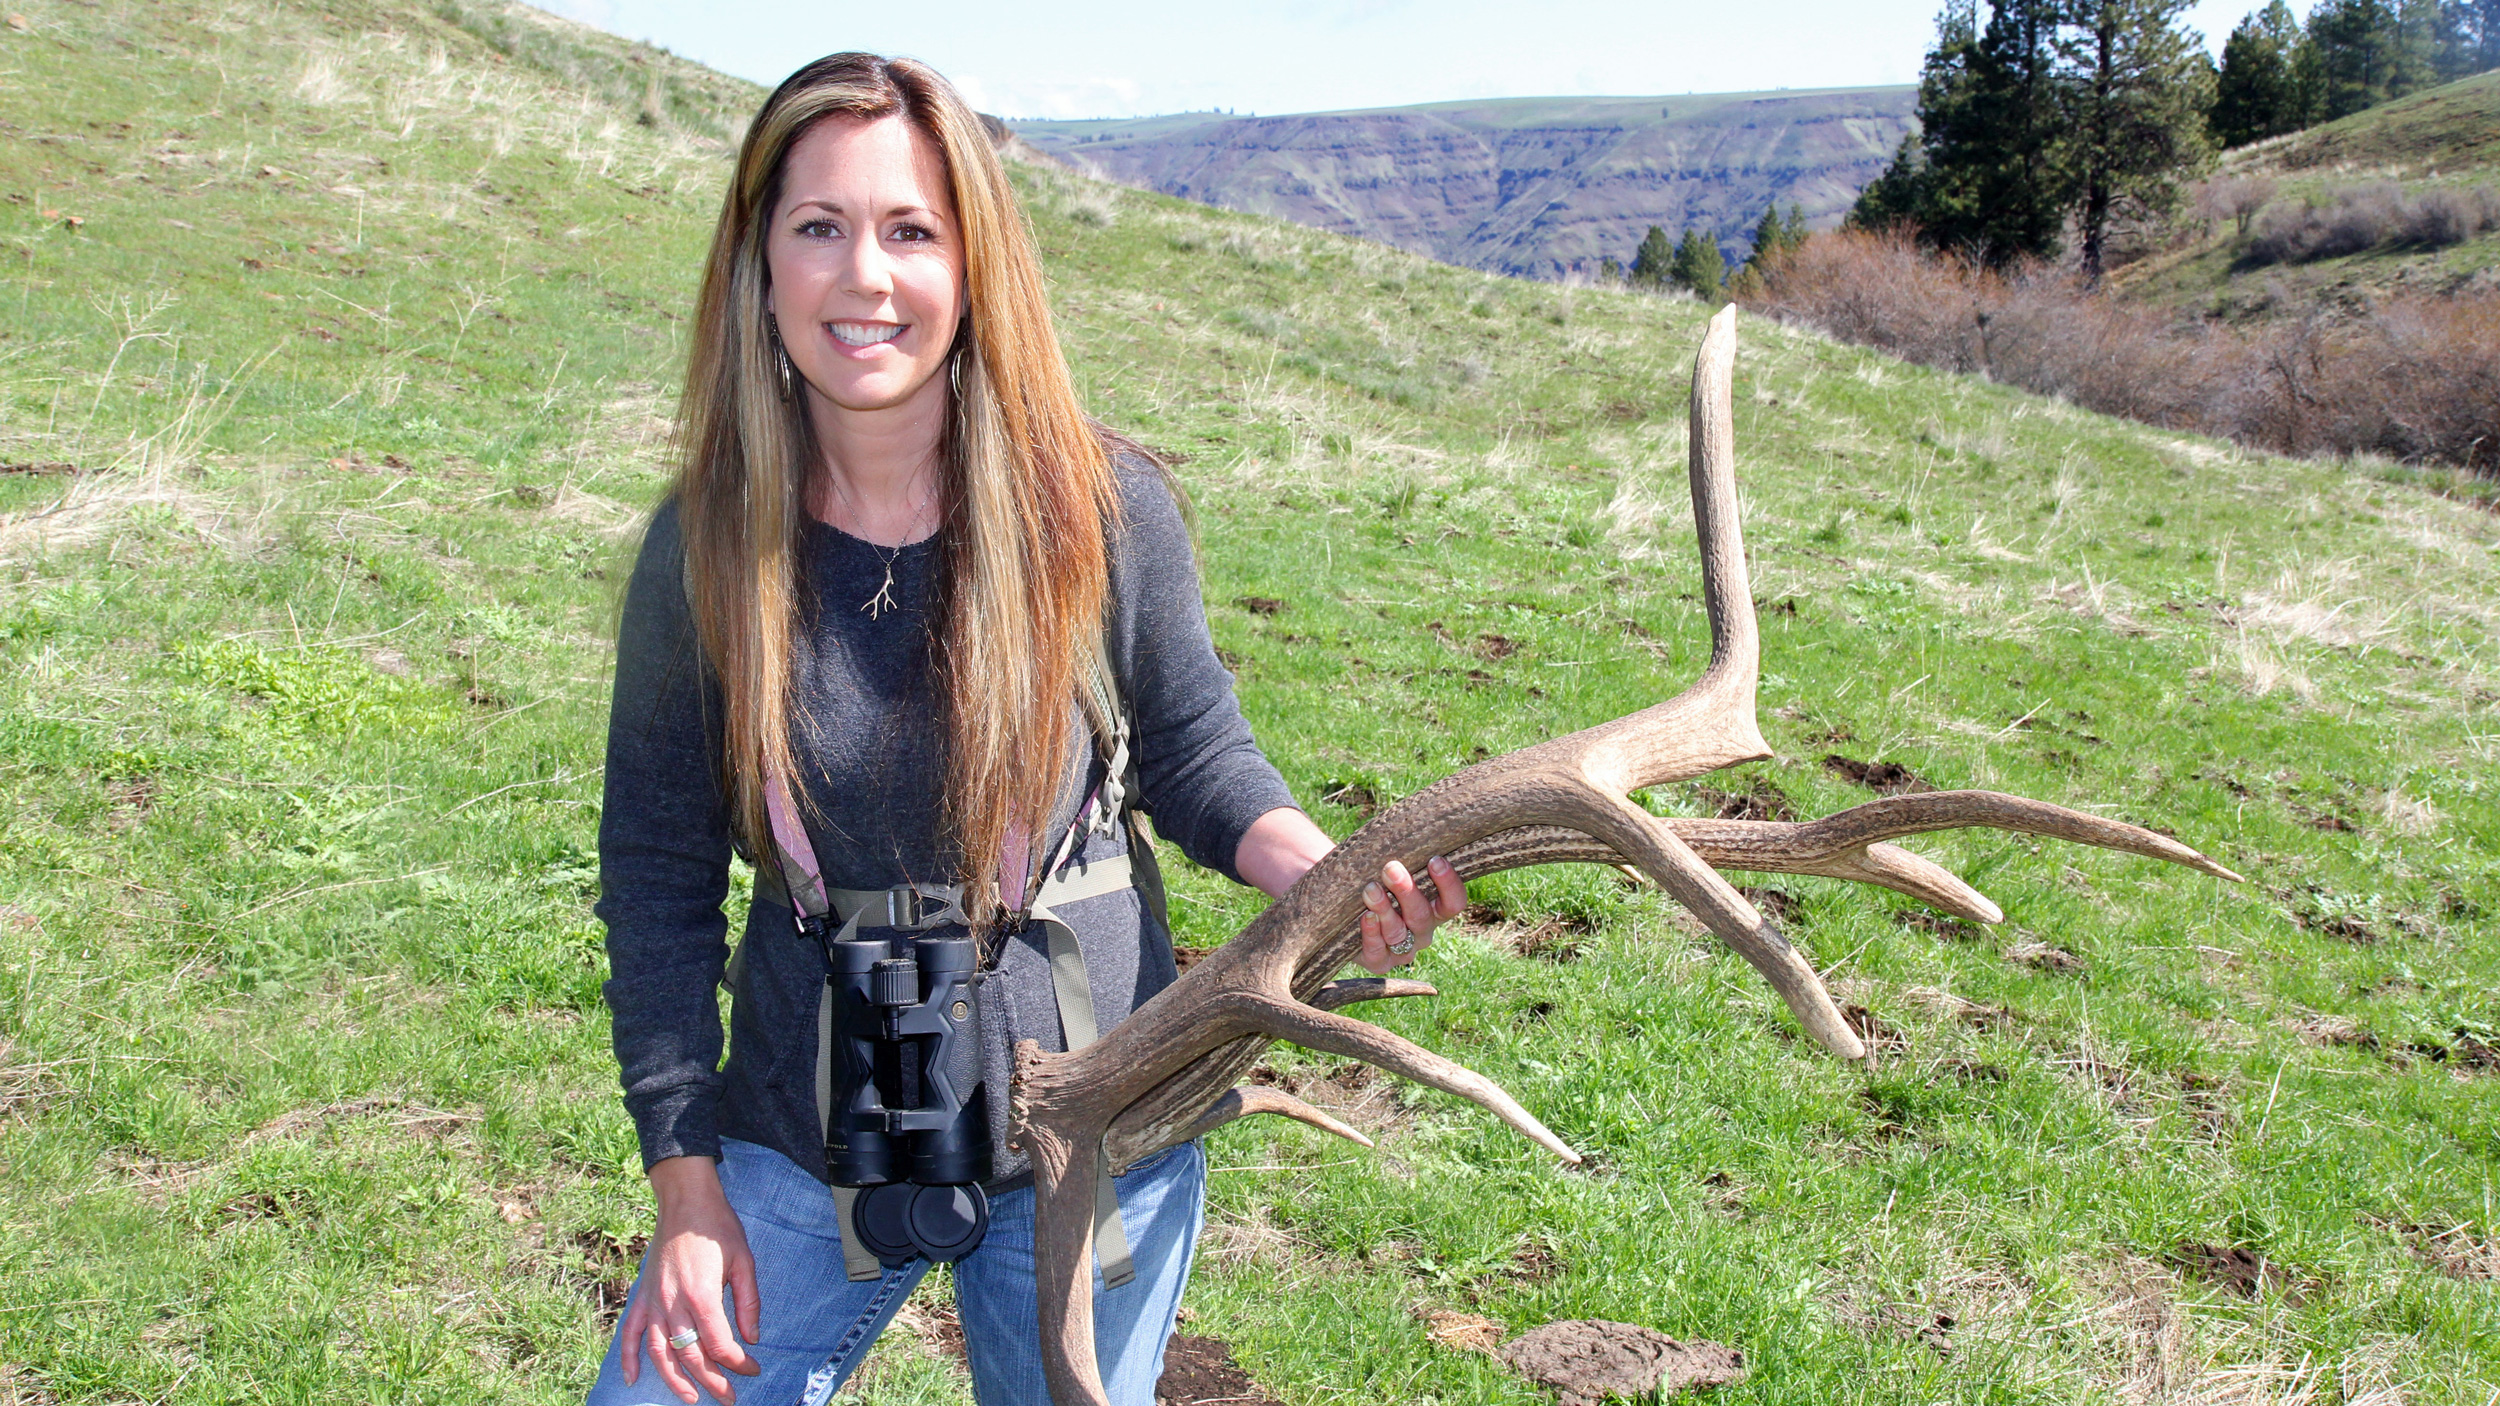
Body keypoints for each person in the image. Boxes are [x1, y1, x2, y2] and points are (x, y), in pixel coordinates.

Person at [590, 53, 1464, 1406]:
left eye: (910, 230)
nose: (863, 277)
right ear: (760, 261)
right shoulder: (701, 554)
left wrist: (1324, 874)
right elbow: (655, 884)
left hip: (1099, 1117)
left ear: (973, 261)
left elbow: (1198, 754)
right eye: (818, 227)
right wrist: (685, 1181)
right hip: (804, 1118)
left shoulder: (1098, 510)